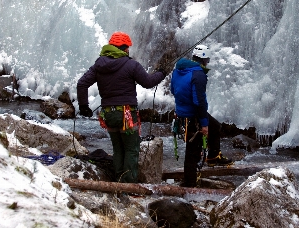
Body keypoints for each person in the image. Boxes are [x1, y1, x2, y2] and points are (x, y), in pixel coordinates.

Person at [77, 31, 167, 183]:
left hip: (108, 115)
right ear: (124, 48)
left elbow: (82, 84)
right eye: (128, 48)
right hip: (127, 114)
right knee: (131, 149)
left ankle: (118, 182)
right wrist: (161, 73)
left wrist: (84, 106)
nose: (128, 51)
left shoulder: (99, 65)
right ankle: (128, 185)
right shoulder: (131, 65)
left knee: (118, 149)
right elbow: (148, 82)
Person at [171, 44, 233, 187]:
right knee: (193, 150)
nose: (208, 63)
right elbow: (199, 102)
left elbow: (174, 90)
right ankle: (189, 184)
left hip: (183, 113)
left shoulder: (178, 70)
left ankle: (213, 156)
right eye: (208, 60)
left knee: (215, 126)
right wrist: (204, 124)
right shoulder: (198, 75)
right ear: (204, 60)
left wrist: (180, 108)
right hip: (193, 115)